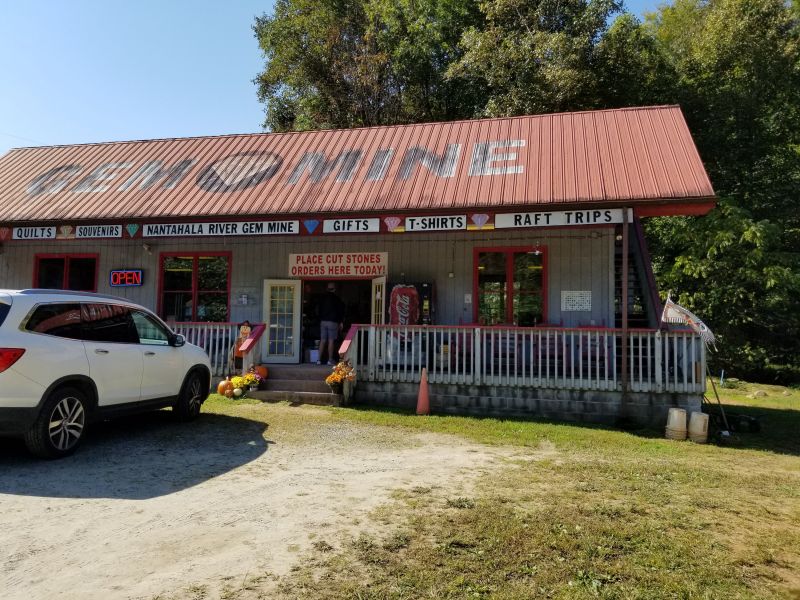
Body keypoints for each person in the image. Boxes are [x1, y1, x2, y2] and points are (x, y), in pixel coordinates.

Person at [317, 283, 345, 365]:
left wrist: (319, 319)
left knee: (322, 340)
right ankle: (330, 360)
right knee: (331, 341)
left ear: (327, 289)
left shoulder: (322, 298)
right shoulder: (337, 299)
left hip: (323, 321)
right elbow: (340, 311)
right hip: (333, 322)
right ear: (334, 289)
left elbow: (318, 309)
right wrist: (341, 322)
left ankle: (318, 360)